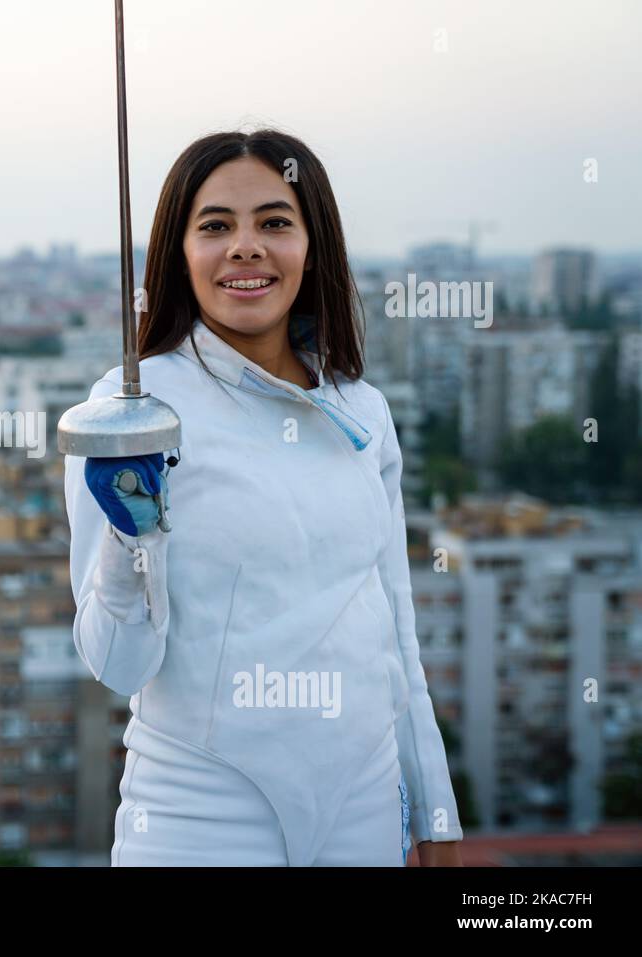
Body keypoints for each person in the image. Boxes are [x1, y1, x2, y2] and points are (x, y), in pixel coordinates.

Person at [63, 129, 464, 866]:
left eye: (274, 222)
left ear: (313, 245)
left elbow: (394, 633)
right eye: (216, 226)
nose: (246, 246)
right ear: (179, 255)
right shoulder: (133, 411)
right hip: (203, 811)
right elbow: (118, 663)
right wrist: (131, 541)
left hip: (363, 802)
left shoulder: (362, 408)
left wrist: (435, 816)